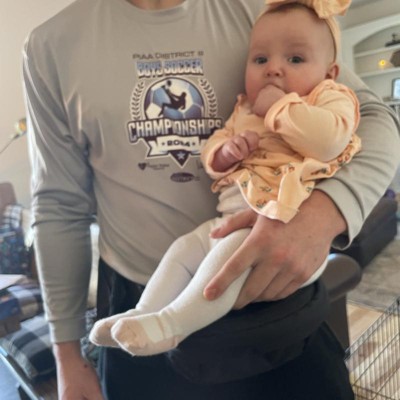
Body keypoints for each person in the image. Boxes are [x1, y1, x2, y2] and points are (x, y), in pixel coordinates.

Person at [23, 0, 400, 399]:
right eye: (261, 61)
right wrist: (67, 355)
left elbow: (372, 118)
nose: (273, 67)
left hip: (271, 296)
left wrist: (324, 214)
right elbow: (58, 205)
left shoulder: (270, 12)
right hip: (139, 300)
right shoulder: (52, 45)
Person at [89, 1, 362, 358]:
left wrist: (278, 108)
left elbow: (328, 141)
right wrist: (225, 153)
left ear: (330, 72)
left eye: (295, 59)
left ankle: (171, 325)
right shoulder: (245, 108)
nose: (273, 69)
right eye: (260, 59)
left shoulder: (328, 97)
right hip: (228, 219)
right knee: (184, 249)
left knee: (227, 261)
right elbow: (213, 149)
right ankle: (142, 312)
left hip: (282, 227)